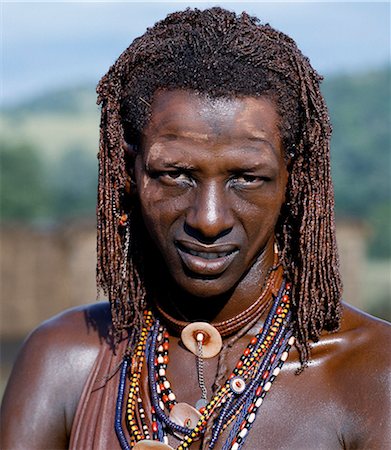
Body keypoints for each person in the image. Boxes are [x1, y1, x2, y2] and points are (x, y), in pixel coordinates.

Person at [1, 7, 390, 450]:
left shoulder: (372, 373)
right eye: (175, 173)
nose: (209, 219)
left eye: (247, 177)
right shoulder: (65, 361)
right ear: (127, 171)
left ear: (293, 178)